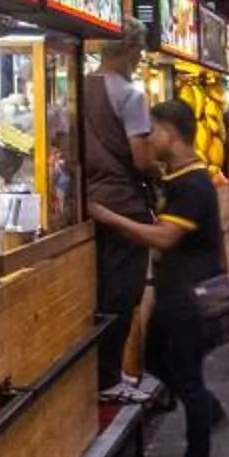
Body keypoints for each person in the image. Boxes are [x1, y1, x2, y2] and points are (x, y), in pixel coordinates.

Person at [95, 98, 227, 457]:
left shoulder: (192, 184)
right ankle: (208, 409)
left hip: (189, 295)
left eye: (152, 131)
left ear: (170, 133)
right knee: (156, 361)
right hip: (177, 291)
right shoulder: (178, 175)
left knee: (187, 378)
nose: (147, 139)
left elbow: (166, 237)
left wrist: (109, 217)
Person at [79, 39, 160, 405]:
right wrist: (162, 171)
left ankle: (100, 375)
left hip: (83, 202)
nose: (141, 58)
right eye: (140, 51)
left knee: (95, 291)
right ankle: (109, 378)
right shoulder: (130, 94)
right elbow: (141, 160)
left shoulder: (78, 84)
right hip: (122, 203)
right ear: (128, 51)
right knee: (122, 294)